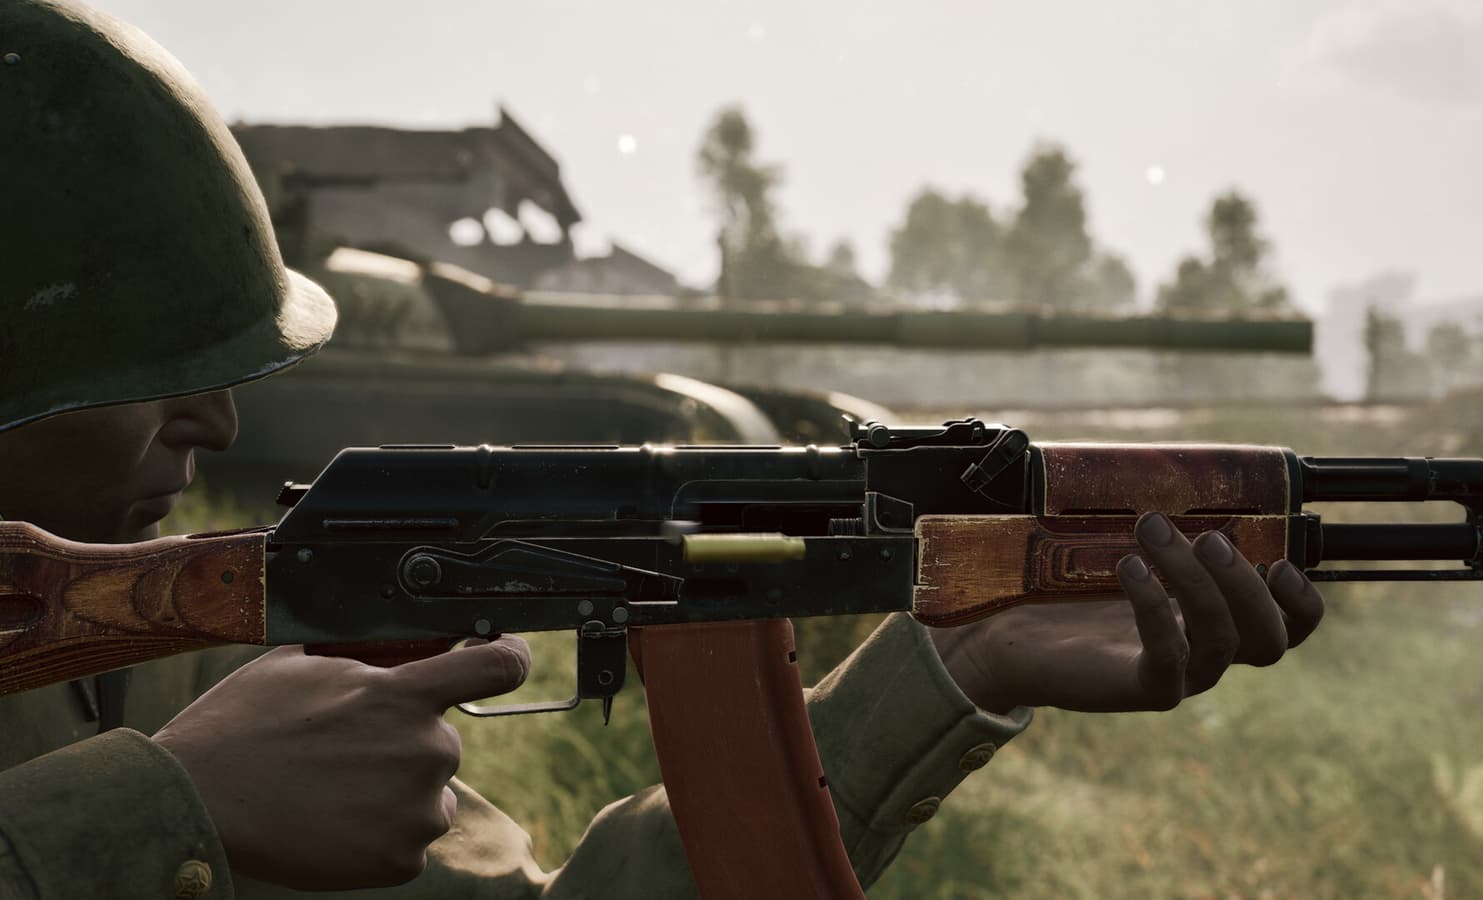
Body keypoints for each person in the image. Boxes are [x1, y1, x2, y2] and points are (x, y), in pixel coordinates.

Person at [0, 2, 1325, 898]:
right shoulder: (188, 706)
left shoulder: (176, 658)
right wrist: (170, 806)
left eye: (229, 375)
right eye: (157, 375)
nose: (217, 425)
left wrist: (959, 664)